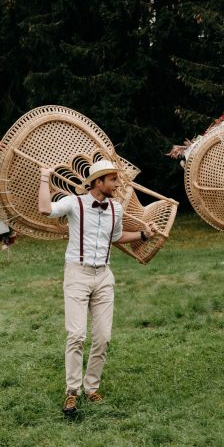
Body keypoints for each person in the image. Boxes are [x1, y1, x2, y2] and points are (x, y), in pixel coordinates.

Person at [38, 159, 158, 414]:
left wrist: (143, 235)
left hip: (104, 276)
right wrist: (44, 178)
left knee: (103, 338)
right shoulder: (74, 203)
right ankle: (72, 391)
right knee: (77, 335)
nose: (117, 185)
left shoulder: (116, 209)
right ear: (98, 182)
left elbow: (116, 238)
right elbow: (45, 209)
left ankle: (91, 388)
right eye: (113, 180)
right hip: (77, 275)